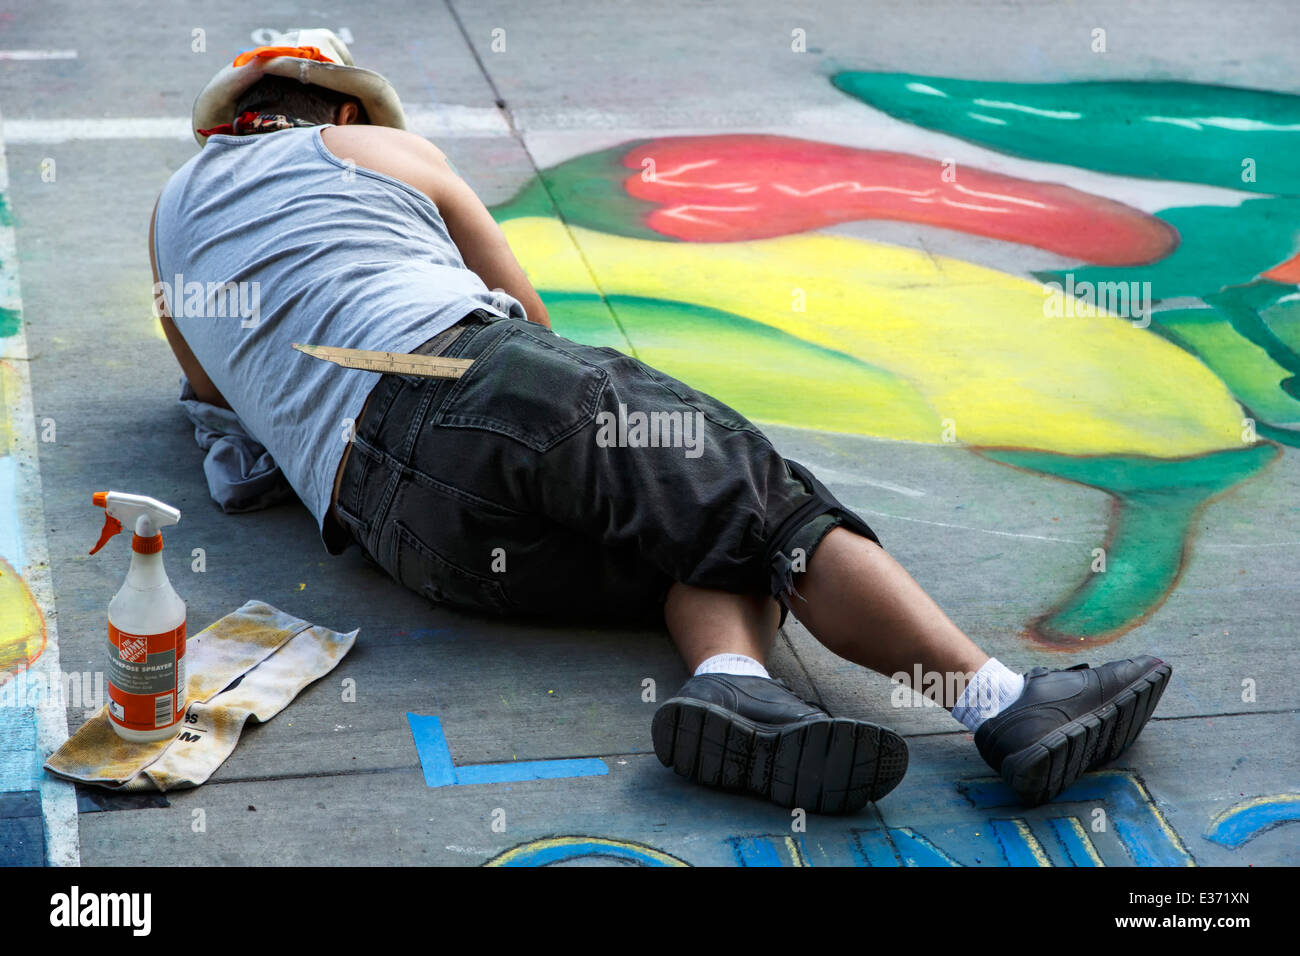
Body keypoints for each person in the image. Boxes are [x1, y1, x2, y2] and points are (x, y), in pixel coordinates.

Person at [152, 30, 1172, 815]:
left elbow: (210, 398)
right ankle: (998, 702)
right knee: (760, 507)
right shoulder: (375, 143)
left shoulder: (168, 223)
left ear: (224, 125)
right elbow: (527, 314)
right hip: (467, 379)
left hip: (401, 531)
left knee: (679, 528)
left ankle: (735, 688)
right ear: (337, 102)